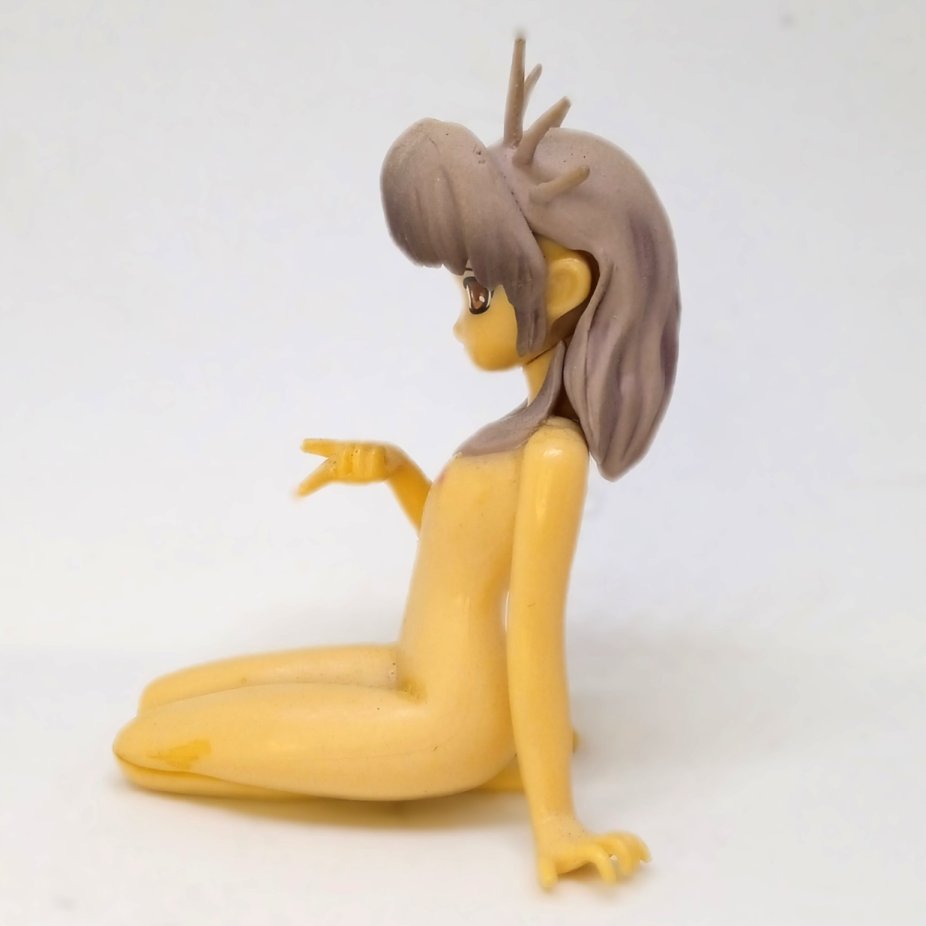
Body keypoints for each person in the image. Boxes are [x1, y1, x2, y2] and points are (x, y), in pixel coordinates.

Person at [114, 37, 680, 889]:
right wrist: (396, 473)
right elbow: (458, 564)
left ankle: (489, 757)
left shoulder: (554, 455)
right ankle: (494, 749)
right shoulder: (516, 434)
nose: (459, 315)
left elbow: (533, 640)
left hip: (444, 718)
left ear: (562, 290)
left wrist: (554, 820)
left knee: (144, 746)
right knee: (165, 696)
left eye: (476, 291)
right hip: (411, 668)